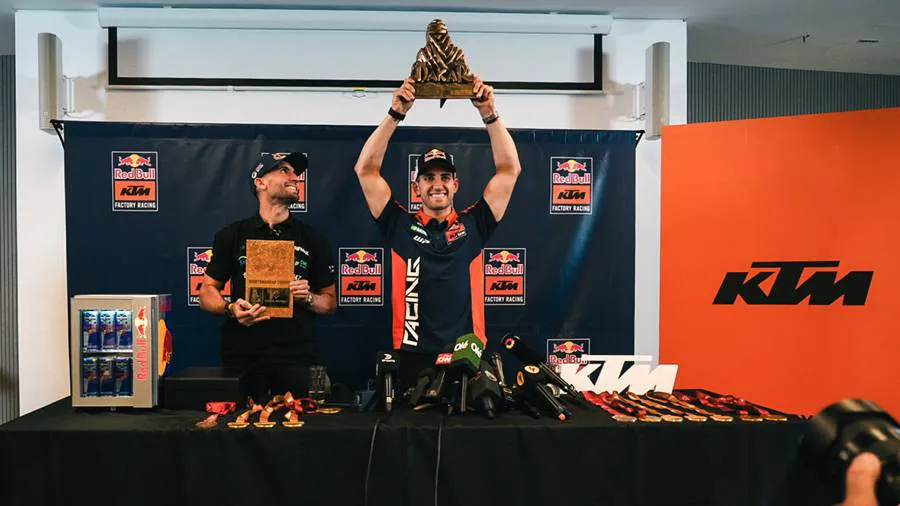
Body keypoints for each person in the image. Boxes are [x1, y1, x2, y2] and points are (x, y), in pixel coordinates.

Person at [353, 77, 522, 384]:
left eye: (445, 176)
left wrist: (489, 113)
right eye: (428, 178)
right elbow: (365, 170)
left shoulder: (474, 224)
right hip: (411, 354)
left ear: (455, 185)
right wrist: (395, 114)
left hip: (465, 353)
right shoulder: (400, 224)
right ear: (416, 187)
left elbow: (510, 170)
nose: (437, 184)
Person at [199, 152, 336, 402]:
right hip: (242, 355)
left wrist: (308, 298)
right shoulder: (231, 235)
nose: (295, 177)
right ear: (260, 182)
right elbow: (206, 290)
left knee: (302, 431)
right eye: (284, 170)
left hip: (296, 355)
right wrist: (230, 307)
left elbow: (329, 302)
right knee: (238, 431)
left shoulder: (313, 239)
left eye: (296, 173)